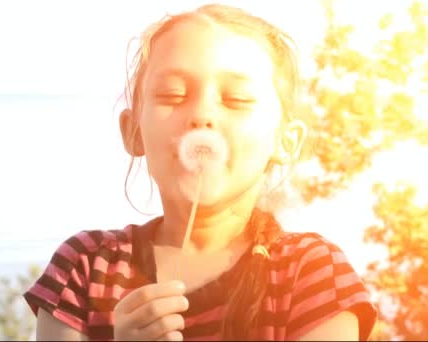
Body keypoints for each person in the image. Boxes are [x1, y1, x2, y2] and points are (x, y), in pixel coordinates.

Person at [23, 3, 377, 341]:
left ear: (284, 141)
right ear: (133, 131)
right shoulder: (84, 269)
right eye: (172, 94)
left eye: (236, 99)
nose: (202, 115)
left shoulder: (311, 274)